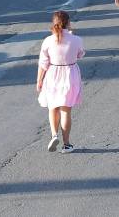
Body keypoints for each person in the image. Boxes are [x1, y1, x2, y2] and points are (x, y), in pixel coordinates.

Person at [36, 10, 85, 153]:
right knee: (65, 110)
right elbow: (80, 54)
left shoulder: (48, 41)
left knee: (53, 107)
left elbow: (43, 63)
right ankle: (67, 144)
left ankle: (53, 135)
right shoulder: (76, 39)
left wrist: (39, 80)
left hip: (52, 74)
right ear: (68, 23)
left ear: (54, 23)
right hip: (70, 74)